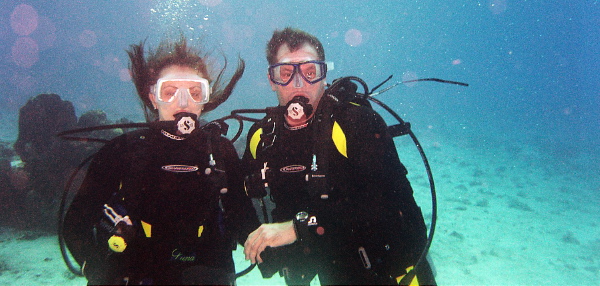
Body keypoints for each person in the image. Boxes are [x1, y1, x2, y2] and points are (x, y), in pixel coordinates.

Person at [242, 27, 436, 285]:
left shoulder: (355, 122)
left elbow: (387, 205)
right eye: (286, 74)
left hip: (394, 266)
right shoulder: (263, 138)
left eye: (310, 72)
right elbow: (238, 201)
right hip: (334, 266)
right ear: (271, 79)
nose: (299, 84)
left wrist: (298, 229)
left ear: (324, 76)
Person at [63, 36, 259, 285]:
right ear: (153, 97)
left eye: (195, 92)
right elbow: (75, 223)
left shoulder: (220, 151)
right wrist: (96, 269)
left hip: (206, 270)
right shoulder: (123, 150)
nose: (183, 101)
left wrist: (270, 242)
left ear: (205, 100)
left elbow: (242, 215)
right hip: (135, 270)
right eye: (170, 92)